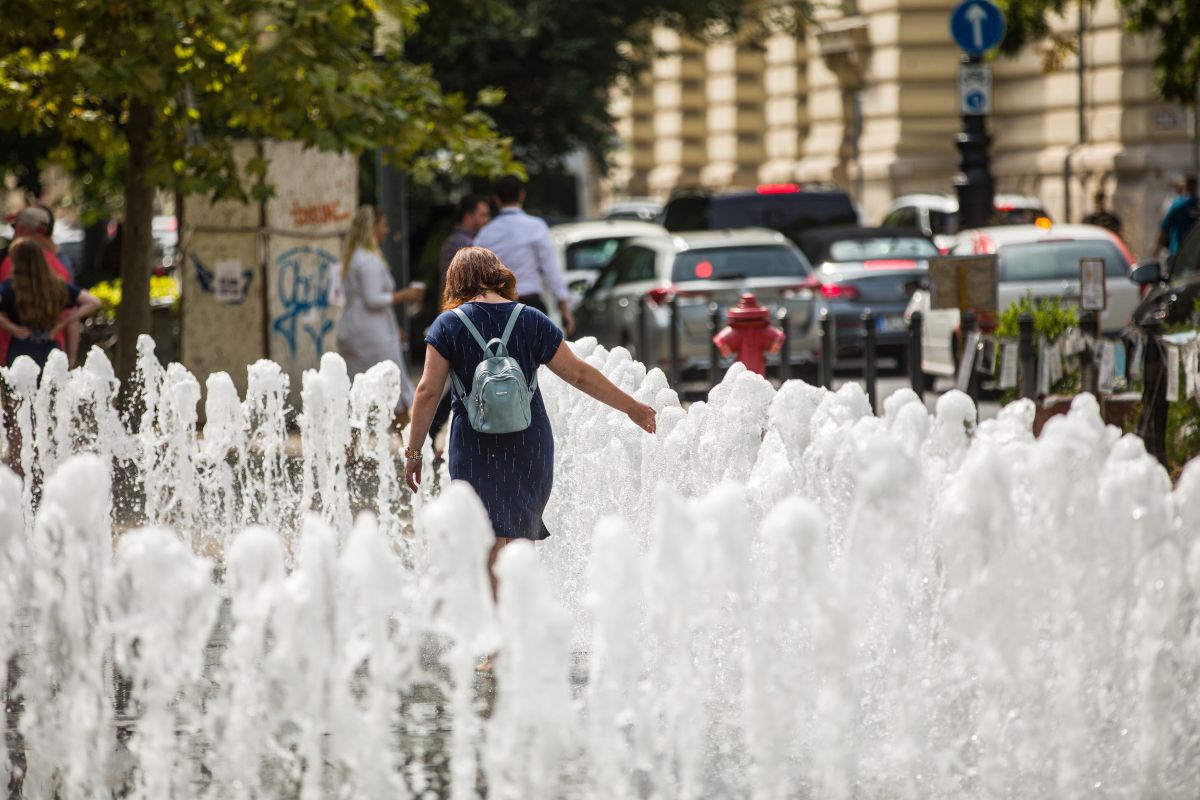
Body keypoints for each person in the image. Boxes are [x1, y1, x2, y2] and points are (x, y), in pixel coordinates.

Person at [404, 247, 655, 606]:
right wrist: (631, 407)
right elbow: (580, 374)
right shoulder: (531, 319)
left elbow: (428, 391)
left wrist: (414, 452)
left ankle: (499, 644)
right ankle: (520, 635)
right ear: (497, 274)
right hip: (529, 441)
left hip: (474, 445)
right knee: (520, 538)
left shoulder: (449, 324)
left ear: (455, 281)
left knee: (485, 538)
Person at [335, 206, 425, 423]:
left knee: (357, 392)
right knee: (395, 385)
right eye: (383, 225)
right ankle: (414, 450)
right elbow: (373, 300)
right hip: (371, 333)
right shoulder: (368, 260)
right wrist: (405, 295)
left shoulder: (353, 258)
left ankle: (350, 451)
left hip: (354, 330)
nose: (386, 230)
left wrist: (393, 327)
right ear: (372, 228)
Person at [472, 175, 575, 336]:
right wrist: (564, 309)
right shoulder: (536, 226)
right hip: (530, 305)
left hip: (495, 308)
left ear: (496, 200)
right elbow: (551, 270)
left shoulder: (484, 234)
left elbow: (475, 275)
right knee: (534, 359)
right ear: (522, 195)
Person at [429, 195, 492, 454]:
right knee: (460, 381)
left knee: (459, 380)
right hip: (463, 321)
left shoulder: (454, 242)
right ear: (468, 216)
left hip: (455, 318)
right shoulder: (464, 246)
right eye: (482, 214)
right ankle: (434, 428)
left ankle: (435, 428)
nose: (486, 220)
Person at [0, 239, 100, 368]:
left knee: (21, 384)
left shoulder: (11, 286)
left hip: (21, 347)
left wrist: (11, 327)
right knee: (50, 383)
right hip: (49, 345)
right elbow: (93, 302)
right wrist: (62, 323)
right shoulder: (57, 286)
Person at [0, 206, 80, 366]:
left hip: (14, 352)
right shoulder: (61, 265)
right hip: (52, 351)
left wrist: (11, 328)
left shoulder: (16, 263)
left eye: (17, 227)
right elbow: (73, 315)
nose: (15, 233)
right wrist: (71, 358)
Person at [1157, 175, 1199, 261]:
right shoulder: (1196, 204)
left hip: (1179, 254)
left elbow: (1164, 229)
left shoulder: (1177, 205)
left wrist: (1156, 249)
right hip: (1196, 255)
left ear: (1185, 186)